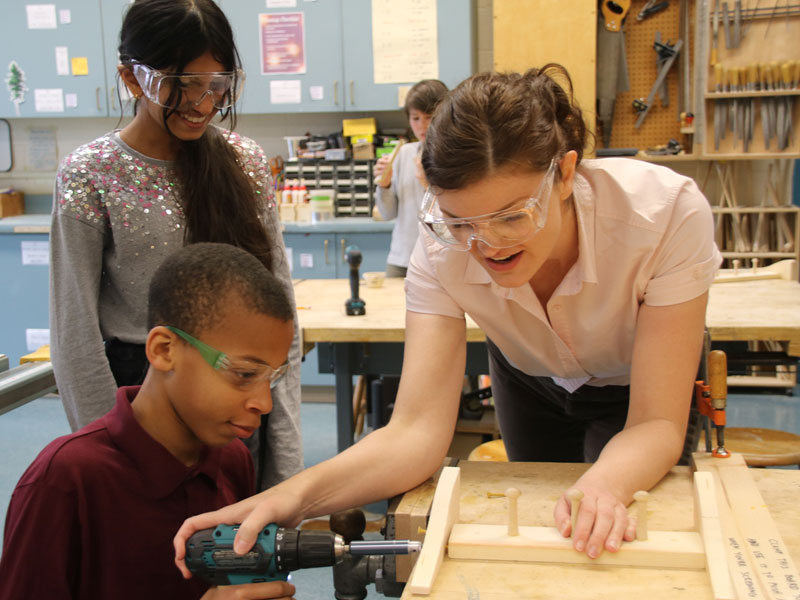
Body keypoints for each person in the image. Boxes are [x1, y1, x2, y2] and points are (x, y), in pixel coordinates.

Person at [173, 65, 721, 570]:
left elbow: (654, 421)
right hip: (530, 378)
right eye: (461, 222)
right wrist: (290, 496)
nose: (487, 244)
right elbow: (415, 430)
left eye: (511, 216)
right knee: (543, 529)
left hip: (638, 389)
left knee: (621, 535)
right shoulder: (439, 251)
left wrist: (604, 485)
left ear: (565, 174)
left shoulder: (665, 214)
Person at [48, 0, 302, 491]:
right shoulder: (91, 174)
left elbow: (280, 309)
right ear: (130, 78)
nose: (202, 105)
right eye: (180, 85)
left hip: (238, 392)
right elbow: (73, 333)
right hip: (142, 399)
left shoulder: (244, 163)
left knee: (232, 550)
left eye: (216, 86)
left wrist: (284, 461)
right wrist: (111, 454)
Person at [0, 243, 296, 600]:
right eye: (245, 373)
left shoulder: (232, 460)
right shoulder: (65, 481)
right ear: (164, 350)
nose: (264, 403)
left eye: (272, 378)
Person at [373, 79, 448, 277]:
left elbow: (455, 216)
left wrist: (427, 185)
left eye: (429, 117)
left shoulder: (455, 158)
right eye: (415, 118)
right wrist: (385, 184)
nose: (422, 126)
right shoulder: (403, 154)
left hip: (441, 259)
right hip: (401, 258)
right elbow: (387, 213)